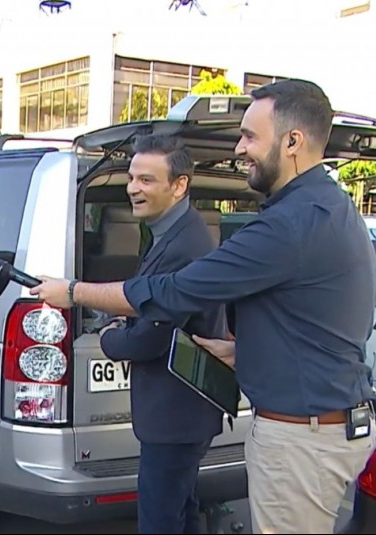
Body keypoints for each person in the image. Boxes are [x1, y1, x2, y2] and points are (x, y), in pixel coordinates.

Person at [30, 79, 376, 534]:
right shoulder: (329, 208)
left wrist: (74, 291)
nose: (240, 148)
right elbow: (318, 324)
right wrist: (245, 350)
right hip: (322, 427)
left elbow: (171, 292)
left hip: (300, 439)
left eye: (251, 135)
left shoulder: (290, 225)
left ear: (292, 142)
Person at [96, 134, 227, 533]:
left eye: (147, 180)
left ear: (179, 185)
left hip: (176, 417)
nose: (133, 188)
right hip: (182, 417)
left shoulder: (182, 245)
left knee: (159, 521)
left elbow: (149, 338)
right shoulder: (176, 232)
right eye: (132, 178)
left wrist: (109, 335)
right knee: (182, 514)